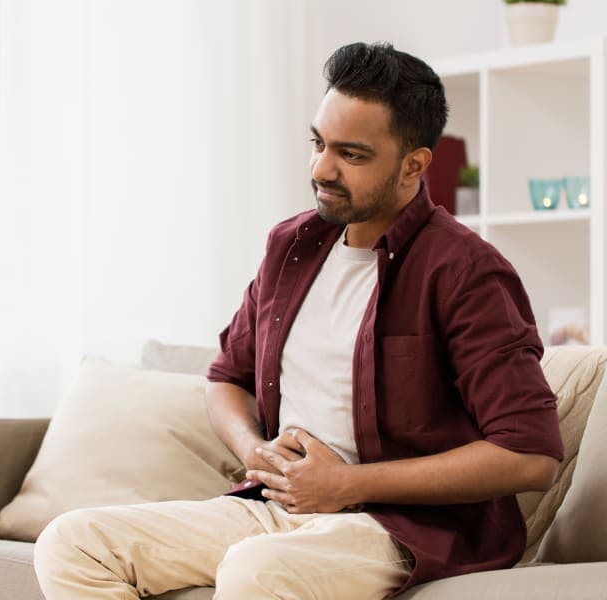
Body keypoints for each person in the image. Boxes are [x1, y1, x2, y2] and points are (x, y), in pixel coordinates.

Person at [34, 42, 564, 599]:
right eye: (318, 143)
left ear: (414, 164)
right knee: (74, 541)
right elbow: (227, 379)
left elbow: (529, 455)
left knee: (257, 571)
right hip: (275, 509)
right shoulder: (291, 246)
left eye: (352, 155)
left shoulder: (466, 270)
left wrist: (347, 485)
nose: (321, 169)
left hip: (402, 529)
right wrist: (252, 451)